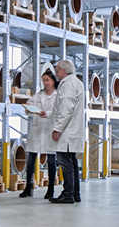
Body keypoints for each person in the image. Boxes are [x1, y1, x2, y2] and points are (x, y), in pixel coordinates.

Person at [49, 60, 85, 204]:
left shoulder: (68, 85)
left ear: (64, 71)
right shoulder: (76, 83)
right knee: (72, 162)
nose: (56, 74)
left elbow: (66, 109)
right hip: (72, 130)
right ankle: (75, 193)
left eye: (57, 71)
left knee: (65, 162)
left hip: (67, 131)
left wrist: (57, 128)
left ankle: (68, 194)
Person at [19, 67, 58, 199]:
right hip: (36, 131)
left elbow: (59, 112)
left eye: (47, 80)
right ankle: (28, 188)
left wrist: (46, 113)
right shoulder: (38, 95)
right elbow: (29, 107)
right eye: (43, 81)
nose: (45, 83)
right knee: (30, 161)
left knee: (52, 161)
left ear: (53, 80)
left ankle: (51, 189)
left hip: (50, 130)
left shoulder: (58, 96)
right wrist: (29, 110)